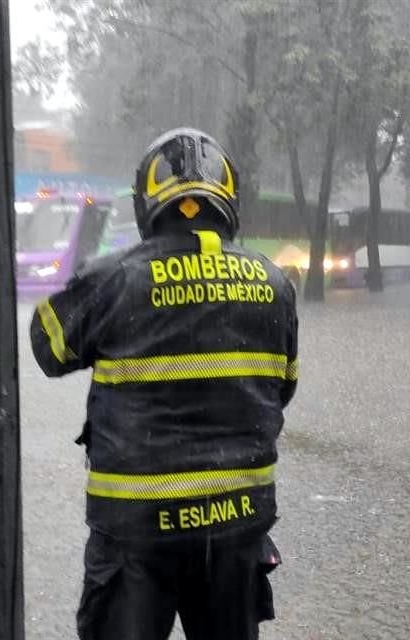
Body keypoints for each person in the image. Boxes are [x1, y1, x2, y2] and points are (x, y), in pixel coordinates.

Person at [31, 128, 299, 640]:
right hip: (236, 529)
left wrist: (84, 269)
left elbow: (48, 348)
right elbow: (282, 388)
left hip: (136, 533)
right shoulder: (275, 284)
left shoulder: (115, 278)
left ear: (146, 203)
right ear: (229, 201)